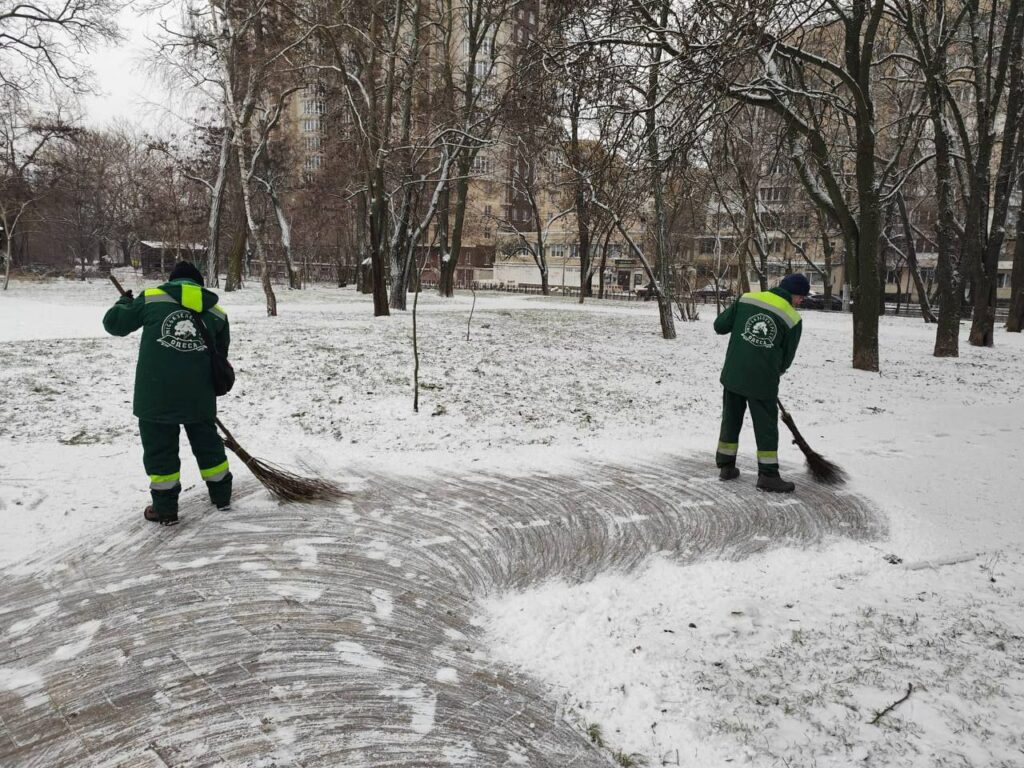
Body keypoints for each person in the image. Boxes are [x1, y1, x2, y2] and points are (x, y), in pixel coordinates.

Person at [103, 261, 232, 525]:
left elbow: (114, 325)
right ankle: (222, 497)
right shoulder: (217, 313)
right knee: (208, 446)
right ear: (199, 284)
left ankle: (165, 510)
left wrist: (122, 304)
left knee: (160, 451)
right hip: (199, 396)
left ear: (173, 281)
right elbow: (220, 356)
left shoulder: (152, 299)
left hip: (155, 395)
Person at [713, 273, 809, 493]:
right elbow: (786, 359)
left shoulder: (747, 299)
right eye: (801, 298)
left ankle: (726, 466)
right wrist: (774, 370)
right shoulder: (792, 319)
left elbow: (720, 326)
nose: (801, 302)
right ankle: (768, 475)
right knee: (766, 428)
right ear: (794, 294)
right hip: (763, 380)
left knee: (731, 419)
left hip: (733, 373)